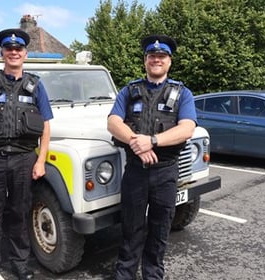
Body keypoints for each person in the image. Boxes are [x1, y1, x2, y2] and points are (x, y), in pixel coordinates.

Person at [107, 34, 197, 279]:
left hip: (166, 172)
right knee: (131, 228)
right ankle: (124, 274)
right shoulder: (129, 90)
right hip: (135, 172)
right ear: (145, 60)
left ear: (169, 61)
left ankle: (153, 274)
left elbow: (187, 128)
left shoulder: (182, 94)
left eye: (161, 56)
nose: (156, 60)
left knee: (159, 229)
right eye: (152, 56)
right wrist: (138, 143)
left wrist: (153, 141)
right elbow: (113, 122)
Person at [0, 28, 53, 280]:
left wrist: (41, 160)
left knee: (19, 212)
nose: (13, 52)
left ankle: (19, 263)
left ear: (25, 54)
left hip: (24, 159)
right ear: (2, 53)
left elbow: (46, 125)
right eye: (9, 49)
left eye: (18, 49)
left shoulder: (36, 85)